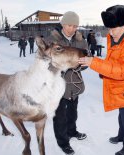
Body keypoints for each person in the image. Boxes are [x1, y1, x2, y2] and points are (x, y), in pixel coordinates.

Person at [78, 5, 124, 155]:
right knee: (122, 115)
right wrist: (104, 71)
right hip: (123, 88)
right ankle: (121, 136)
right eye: (108, 29)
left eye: (113, 29)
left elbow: (123, 70)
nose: (109, 33)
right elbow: (114, 61)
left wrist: (94, 63)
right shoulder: (117, 37)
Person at [46, 11, 88, 155]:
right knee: (59, 116)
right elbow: (44, 61)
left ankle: (72, 131)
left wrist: (83, 64)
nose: (73, 28)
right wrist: (63, 64)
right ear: (63, 24)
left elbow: (86, 56)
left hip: (74, 83)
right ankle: (63, 142)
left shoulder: (80, 39)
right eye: (70, 25)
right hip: (57, 84)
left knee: (72, 112)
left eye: (75, 26)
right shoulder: (52, 40)